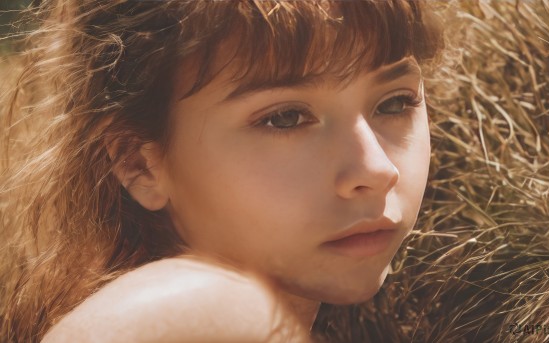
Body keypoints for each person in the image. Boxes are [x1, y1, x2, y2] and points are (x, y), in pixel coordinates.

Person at [0, 1, 443, 341]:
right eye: (285, 118)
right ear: (138, 163)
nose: (376, 169)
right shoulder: (201, 310)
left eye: (395, 103)